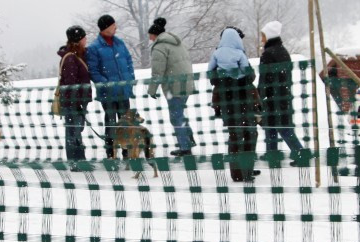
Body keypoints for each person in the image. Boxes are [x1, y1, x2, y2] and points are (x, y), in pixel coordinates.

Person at [208, 26, 260, 182]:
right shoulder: (240, 54)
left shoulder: (216, 56)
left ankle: (237, 173)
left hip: (227, 107)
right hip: (245, 104)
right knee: (250, 135)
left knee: (234, 137)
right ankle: (247, 170)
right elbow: (251, 76)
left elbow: (211, 78)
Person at [257, 20, 308, 165]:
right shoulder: (283, 51)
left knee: (279, 127)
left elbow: (264, 78)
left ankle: (300, 154)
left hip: (272, 97)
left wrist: (260, 96)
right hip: (283, 95)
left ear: (268, 36)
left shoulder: (268, 54)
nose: (262, 39)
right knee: (275, 126)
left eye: (263, 35)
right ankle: (272, 153)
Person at [86, 14, 136, 158]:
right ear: (106, 28)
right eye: (113, 25)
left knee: (126, 123)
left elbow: (129, 62)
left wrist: (130, 79)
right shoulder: (95, 48)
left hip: (123, 91)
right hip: (108, 94)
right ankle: (111, 152)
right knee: (111, 123)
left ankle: (127, 152)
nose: (116, 27)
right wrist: (107, 84)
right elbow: (93, 71)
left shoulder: (120, 43)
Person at [147, 17, 197, 156]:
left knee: (176, 117)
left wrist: (152, 90)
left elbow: (158, 71)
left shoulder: (160, 46)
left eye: (150, 36)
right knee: (179, 114)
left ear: (154, 35)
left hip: (173, 86)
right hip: (185, 83)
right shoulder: (177, 43)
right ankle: (188, 140)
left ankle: (185, 147)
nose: (150, 39)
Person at [59, 25, 93, 169]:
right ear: (78, 39)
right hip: (73, 102)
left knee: (76, 130)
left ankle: (79, 159)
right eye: (84, 37)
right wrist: (76, 101)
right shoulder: (71, 58)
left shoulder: (78, 55)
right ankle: (76, 162)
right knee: (73, 131)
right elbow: (70, 82)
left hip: (78, 100)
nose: (86, 39)